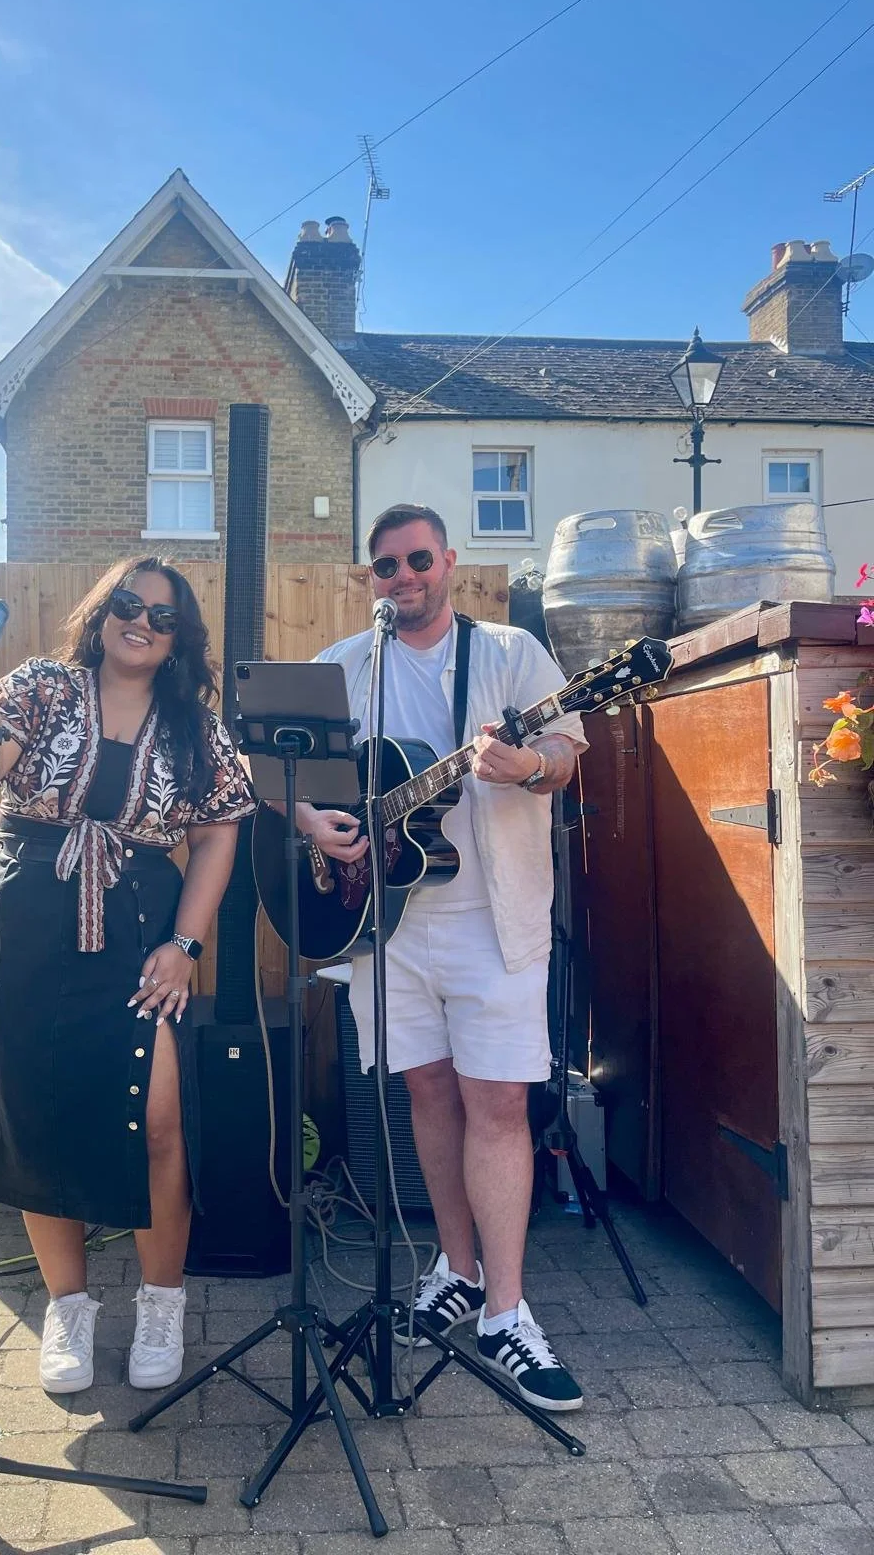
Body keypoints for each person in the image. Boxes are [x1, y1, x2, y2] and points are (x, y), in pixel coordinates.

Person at [0, 556, 255, 1397]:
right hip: (34, 924)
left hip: (143, 927)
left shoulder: (196, 727)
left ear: (179, 638)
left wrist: (186, 945)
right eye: (129, 604)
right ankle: (69, 1309)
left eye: (163, 616)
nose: (142, 621)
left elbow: (222, 831)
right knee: (39, 1119)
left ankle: (161, 1300)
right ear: (102, 609)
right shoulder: (42, 685)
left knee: (156, 1121)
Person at [299, 504, 587, 1412]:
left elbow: (567, 751)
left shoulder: (510, 653)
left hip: (492, 920)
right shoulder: (345, 666)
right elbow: (272, 768)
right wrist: (311, 820)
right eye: (385, 566)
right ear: (369, 579)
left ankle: (506, 1313)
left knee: (497, 1103)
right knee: (425, 1092)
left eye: (418, 559)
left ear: (449, 562)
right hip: (382, 925)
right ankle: (453, 1271)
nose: (404, 576)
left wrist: (525, 769)